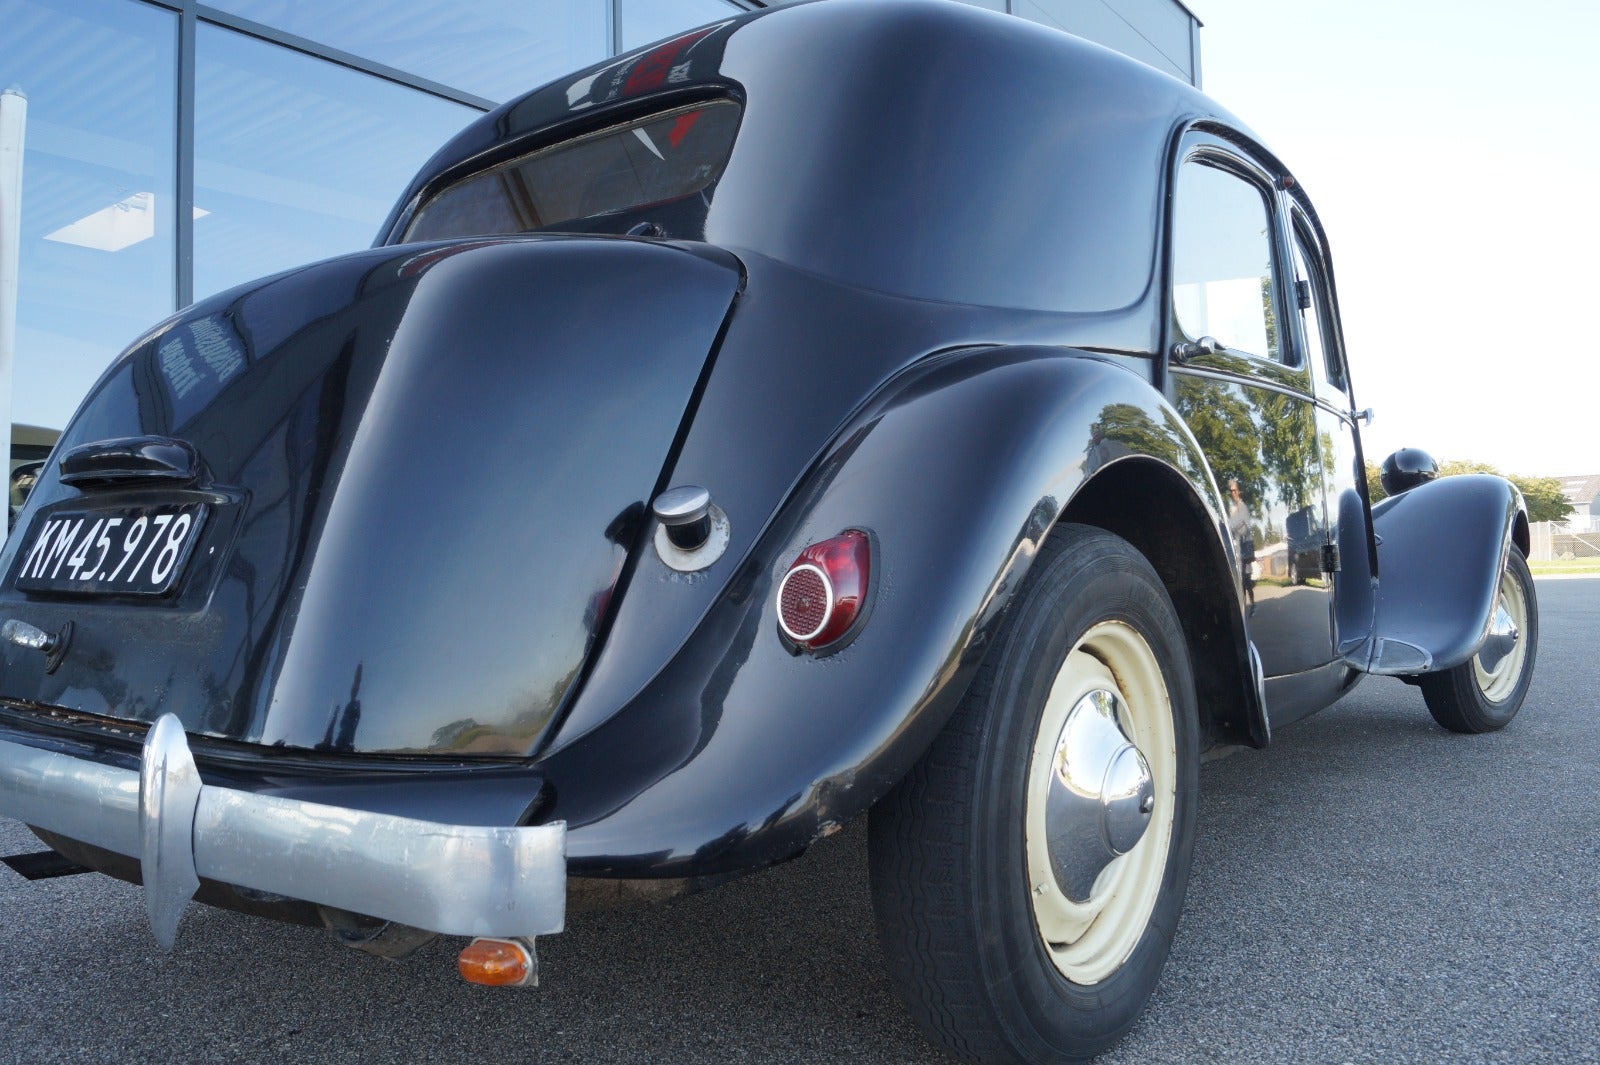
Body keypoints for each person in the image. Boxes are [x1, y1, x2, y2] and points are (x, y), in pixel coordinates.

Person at [1225, 478, 1256, 611]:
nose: (1233, 493)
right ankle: (1245, 608)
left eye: (1235, 490)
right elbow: (1232, 528)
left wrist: (1233, 525)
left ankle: (1253, 604)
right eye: (1231, 491)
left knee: (1247, 581)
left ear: (1239, 491)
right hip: (1238, 552)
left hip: (1245, 550)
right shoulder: (1233, 509)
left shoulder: (1242, 507)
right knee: (1241, 582)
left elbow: (1243, 527)